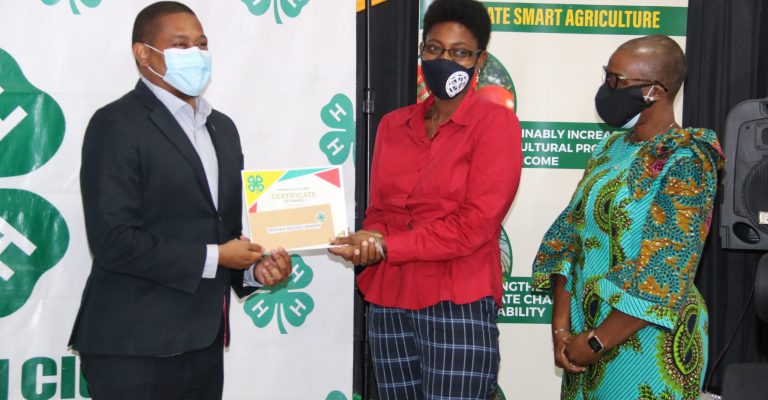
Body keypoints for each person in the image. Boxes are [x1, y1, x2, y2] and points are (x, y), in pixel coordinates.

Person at [68, 2, 292, 398]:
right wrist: (217, 257)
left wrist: (254, 272)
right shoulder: (116, 124)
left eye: (202, 44)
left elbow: (224, 233)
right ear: (144, 53)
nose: (197, 54)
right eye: (181, 44)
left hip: (203, 345)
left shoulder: (222, 128)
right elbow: (112, 242)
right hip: (133, 347)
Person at [330, 0, 522, 398]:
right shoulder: (393, 125)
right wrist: (368, 237)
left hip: (459, 301)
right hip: (390, 299)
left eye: (459, 52)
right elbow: (382, 210)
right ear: (421, 50)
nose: (444, 59)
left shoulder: (496, 124)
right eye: (434, 48)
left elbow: (474, 226)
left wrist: (387, 245)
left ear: (479, 61)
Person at [532, 34, 724, 399]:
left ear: (655, 90)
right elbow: (568, 237)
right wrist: (562, 332)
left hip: (648, 346)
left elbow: (662, 274)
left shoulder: (687, 159)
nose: (608, 88)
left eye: (617, 80)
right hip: (583, 340)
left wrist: (595, 342)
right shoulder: (610, 148)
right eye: (607, 75)